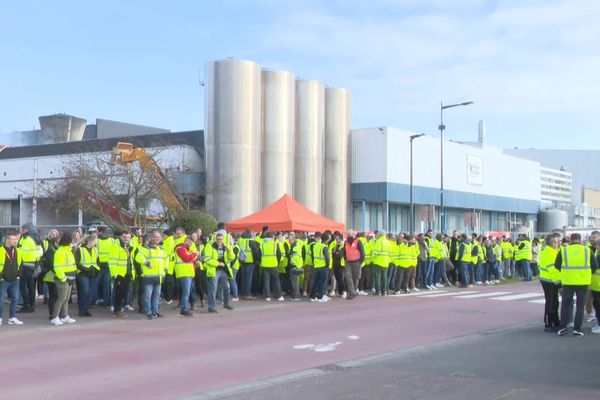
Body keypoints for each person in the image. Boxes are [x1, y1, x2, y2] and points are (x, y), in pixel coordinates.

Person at [555, 233, 597, 336]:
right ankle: (577, 329)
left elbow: (557, 265)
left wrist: (567, 272)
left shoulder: (564, 250)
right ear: (581, 240)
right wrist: (585, 273)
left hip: (568, 281)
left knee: (565, 305)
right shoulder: (587, 250)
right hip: (583, 282)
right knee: (580, 306)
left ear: (570, 239)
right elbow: (595, 266)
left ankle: (563, 327)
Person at [135, 230, 167, 319]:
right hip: (148, 276)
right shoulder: (144, 248)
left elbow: (166, 259)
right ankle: (148, 312)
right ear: (151, 238)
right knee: (147, 296)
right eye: (156, 237)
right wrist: (147, 263)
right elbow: (138, 257)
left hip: (159, 276)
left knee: (156, 296)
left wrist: (165, 269)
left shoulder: (161, 249)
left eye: (159, 237)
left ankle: (155, 312)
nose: (158, 239)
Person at [203, 232, 234, 313]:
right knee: (213, 289)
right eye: (217, 239)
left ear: (223, 239)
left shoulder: (226, 246)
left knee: (227, 287)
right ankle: (211, 307)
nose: (219, 241)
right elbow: (206, 259)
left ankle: (226, 303)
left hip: (224, 270)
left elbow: (232, 258)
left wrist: (229, 251)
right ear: (215, 239)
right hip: (214, 270)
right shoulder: (210, 246)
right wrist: (217, 263)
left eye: (220, 239)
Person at [51, 232, 77, 326]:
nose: (73, 242)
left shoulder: (68, 251)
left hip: (70, 278)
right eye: (72, 241)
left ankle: (64, 316)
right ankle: (55, 317)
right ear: (68, 242)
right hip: (63, 279)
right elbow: (57, 267)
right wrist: (63, 278)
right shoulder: (60, 252)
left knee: (66, 299)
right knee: (61, 298)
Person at [0, 231, 24, 325]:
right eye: (13, 239)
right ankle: (0, 318)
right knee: (1, 299)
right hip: (3, 279)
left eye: (16, 239)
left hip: (15, 279)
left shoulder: (18, 251)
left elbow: (21, 264)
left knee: (15, 299)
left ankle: (12, 318)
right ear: (7, 240)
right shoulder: (1, 250)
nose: (15, 241)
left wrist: (18, 275)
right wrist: (1, 277)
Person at [17, 223, 41, 313]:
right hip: (33, 265)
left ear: (26, 230)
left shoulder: (26, 239)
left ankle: (26, 304)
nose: (21, 231)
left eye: (22, 229)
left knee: (22, 286)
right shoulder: (35, 238)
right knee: (31, 286)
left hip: (25, 265)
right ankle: (32, 305)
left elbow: (21, 253)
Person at [538, 234, 561, 332]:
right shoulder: (549, 253)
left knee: (554, 301)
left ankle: (555, 321)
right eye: (557, 241)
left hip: (548, 280)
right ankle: (549, 323)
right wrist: (559, 284)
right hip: (549, 281)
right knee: (551, 302)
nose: (559, 243)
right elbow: (553, 270)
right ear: (552, 243)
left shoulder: (552, 251)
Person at [109, 231, 134, 318]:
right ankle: (117, 310)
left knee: (124, 292)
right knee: (118, 293)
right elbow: (112, 261)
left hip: (127, 273)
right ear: (121, 237)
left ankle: (119, 309)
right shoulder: (116, 247)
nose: (126, 239)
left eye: (128, 237)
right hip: (119, 274)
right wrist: (115, 275)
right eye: (124, 237)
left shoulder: (129, 247)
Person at [74, 235, 99, 317]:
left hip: (92, 273)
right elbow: (77, 262)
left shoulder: (95, 250)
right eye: (94, 241)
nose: (95, 243)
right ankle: (81, 310)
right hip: (83, 273)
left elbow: (97, 261)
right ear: (90, 242)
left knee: (90, 292)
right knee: (85, 291)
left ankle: (86, 310)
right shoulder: (80, 249)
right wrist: (85, 269)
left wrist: (97, 270)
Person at [174, 236, 198, 316]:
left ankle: (185, 308)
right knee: (186, 292)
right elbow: (187, 259)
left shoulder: (186, 249)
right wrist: (194, 254)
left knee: (187, 292)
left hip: (188, 273)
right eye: (190, 243)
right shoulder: (180, 249)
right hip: (184, 273)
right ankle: (184, 309)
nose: (190, 245)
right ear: (186, 241)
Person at [258, 231, 283, 302]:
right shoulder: (275, 243)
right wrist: (277, 262)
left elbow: (259, 254)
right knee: (276, 280)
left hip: (264, 264)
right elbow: (279, 254)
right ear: (272, 237)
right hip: (273, 264)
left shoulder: (262, 244)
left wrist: (261, 261)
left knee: (266, 281)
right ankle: (279, 296)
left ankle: (267, 296)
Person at [309, 232, 331, 302]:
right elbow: (327, 258)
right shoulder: (324, 247)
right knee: (323, 282)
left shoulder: (316, 245)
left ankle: (312, 296)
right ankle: (320, 297)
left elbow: (313, 255)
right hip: (323, 266)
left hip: (316, 266)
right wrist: (328, 265)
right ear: (327, 240)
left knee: (315, 281)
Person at [344, 230, 365, 299]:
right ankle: (352, 292)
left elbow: (362, 253)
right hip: (348, 262)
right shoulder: (346, 242)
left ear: (353, 235)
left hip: (357, 262)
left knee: (355, 278)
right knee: (348, 277)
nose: (348, 236)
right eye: (348, 234)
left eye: (349, 234)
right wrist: (345, 259)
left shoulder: (358, 242)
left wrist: (360, 262)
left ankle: (352, 292)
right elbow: (344, 251)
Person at [238, 230, 259, 299]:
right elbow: (255, 251)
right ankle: (247, 294)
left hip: (242, 261)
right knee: (248, 278)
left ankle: (243, 293)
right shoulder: (250, 241)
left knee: (244, 278)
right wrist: (256, 260)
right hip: (250, 261)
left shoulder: (241, 241)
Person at [372, 231, 391, 296]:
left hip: (378, 261)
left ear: (380, 235)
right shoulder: (387, 242)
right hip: (386, 262)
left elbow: (375, 252)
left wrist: (373, 258)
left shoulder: (379, 242)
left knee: (378, 277)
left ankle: (378, 291)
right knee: (384, 277)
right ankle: (384, 291)